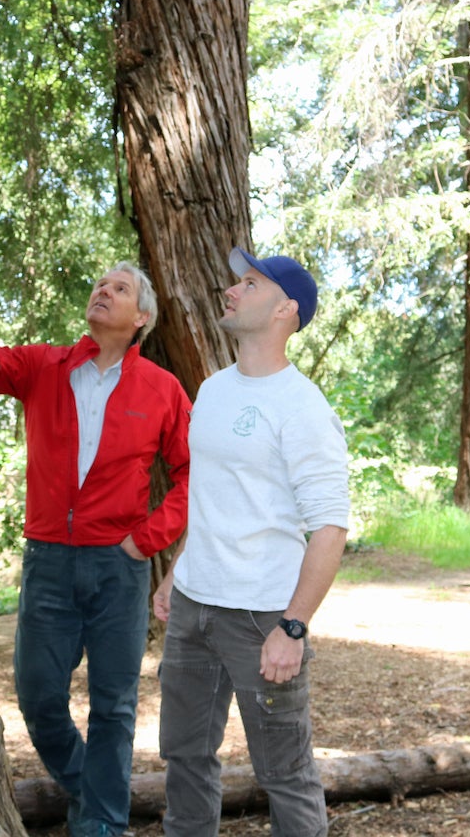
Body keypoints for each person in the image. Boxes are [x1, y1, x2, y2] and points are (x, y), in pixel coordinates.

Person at [0, 262, 192, 837]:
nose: (103, 290)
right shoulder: (42, 366)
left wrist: (145, 541)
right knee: (38, 697)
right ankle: (96, 793)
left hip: (118, 569)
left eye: (119, 289)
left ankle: (99, 826)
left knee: (115, 706)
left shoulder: (162, 389)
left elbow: (193, 474)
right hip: (48, 560)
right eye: (99, 284)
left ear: (141, 318)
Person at [153, 247, 350, 837]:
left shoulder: (303, 407)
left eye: (250, 283)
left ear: (285, 310)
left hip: (262, 615)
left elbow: (330, 528)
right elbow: (213, 497)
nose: (232, 291)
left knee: (285, 774)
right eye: (236, 280)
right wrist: (174, 573)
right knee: (185, 757)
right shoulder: (212, 391)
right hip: (193, 607)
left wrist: (293, 627)